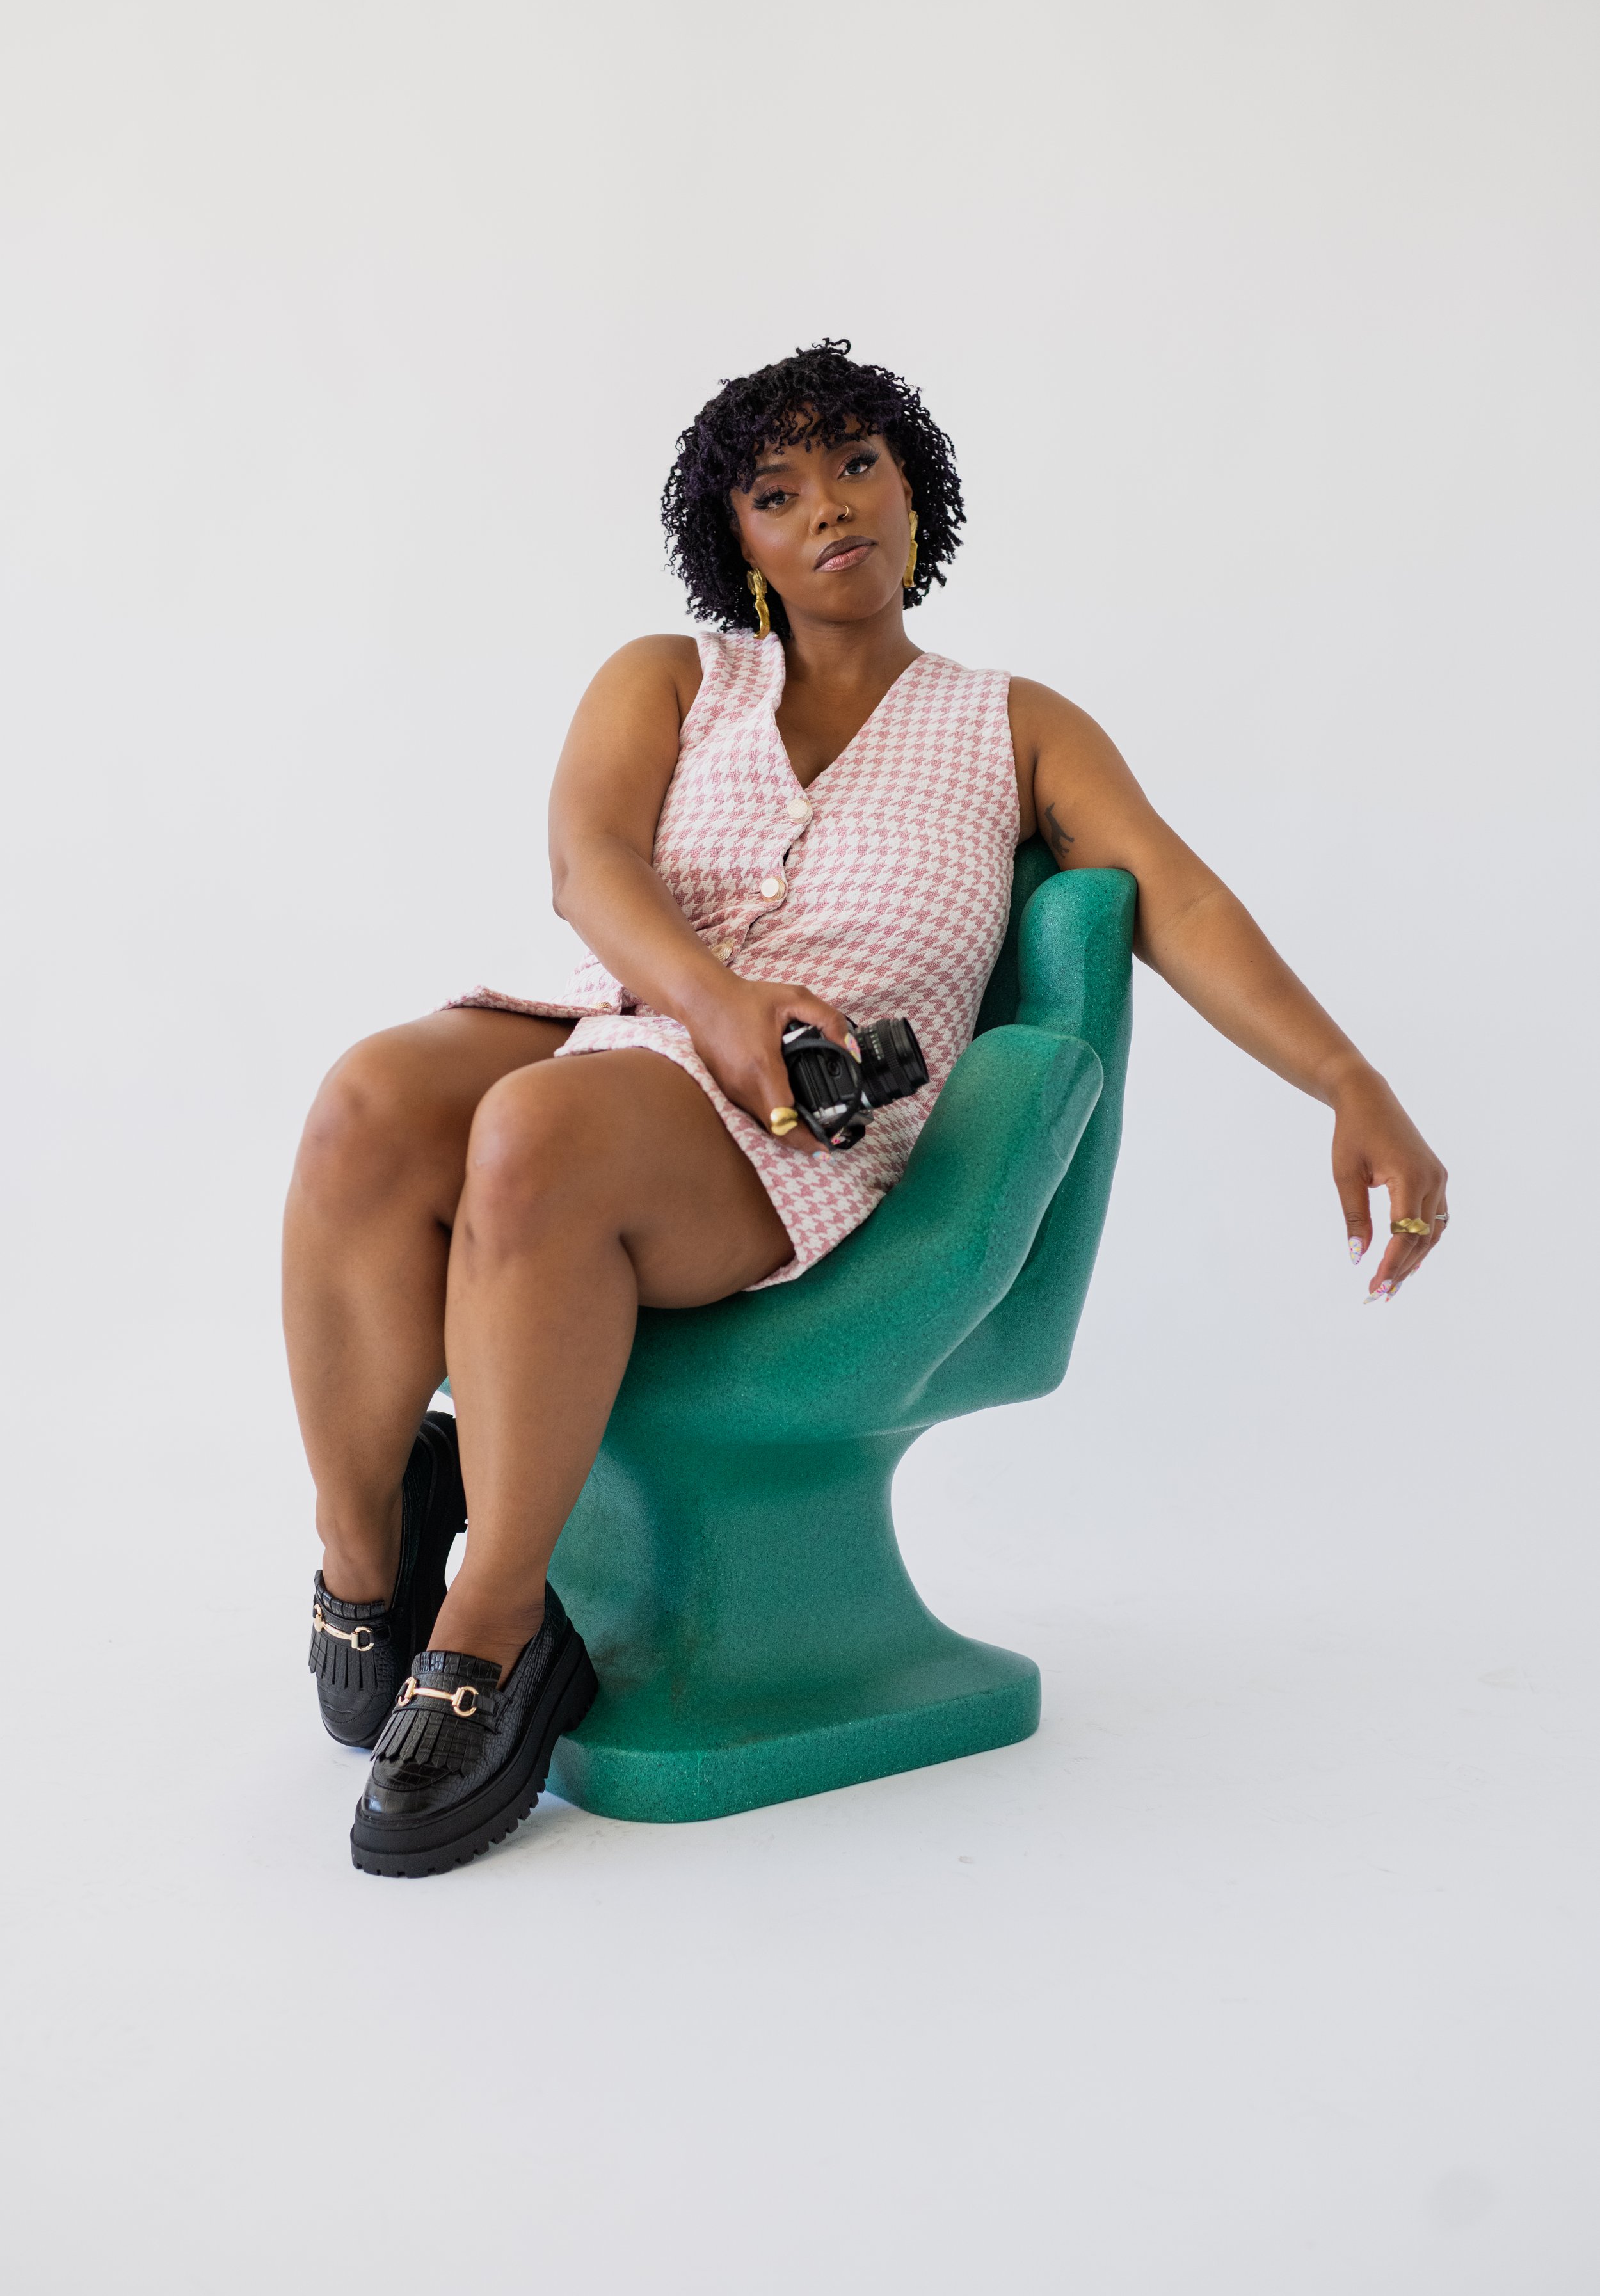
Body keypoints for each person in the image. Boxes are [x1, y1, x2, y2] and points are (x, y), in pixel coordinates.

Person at [287, 337, 1448, 1878]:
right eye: (778, 492)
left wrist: (1346, 1080)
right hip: (609, 1019)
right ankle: (364, 1562)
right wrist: (711, 1000)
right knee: (366, 1099)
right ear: (739, 544)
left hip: (794, 1134)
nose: (828, 505)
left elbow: (1177, 896)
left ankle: (496, 1629)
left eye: (856, 466)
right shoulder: (669, 679)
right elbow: (588, 869)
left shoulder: (1016, 725)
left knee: (538, 1139)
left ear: (914, 489)